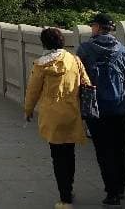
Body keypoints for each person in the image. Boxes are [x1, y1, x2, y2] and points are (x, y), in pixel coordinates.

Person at [77, 13, 125, 206]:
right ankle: (120, 186)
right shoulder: (124, 51)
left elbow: (76, 79)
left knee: (103, 150)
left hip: (96, 110)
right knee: (120, 147)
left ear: (97, 27)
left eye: (93, 25)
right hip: (120, 108)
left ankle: (111, 191)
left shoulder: (84, 50)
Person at [24, 28, 90, 209]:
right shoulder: (74, 60)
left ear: (44, 43)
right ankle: (69, 189)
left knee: (58, 156)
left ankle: (64, 197)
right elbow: (87, 84)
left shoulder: (41, 65)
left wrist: (28, 110)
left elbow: (33, 91)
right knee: (70, 153)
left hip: (52, 116)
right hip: (72, 113)